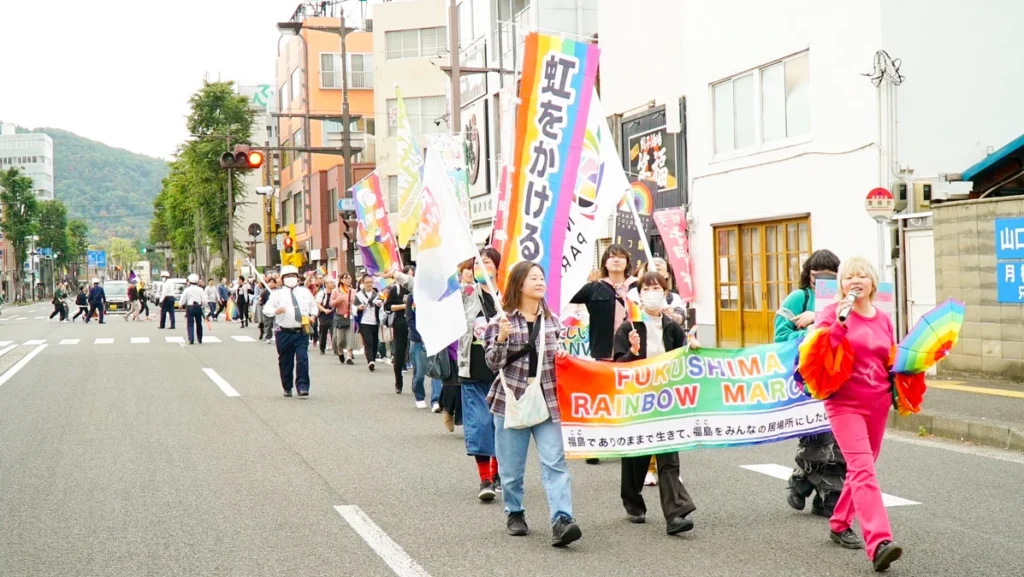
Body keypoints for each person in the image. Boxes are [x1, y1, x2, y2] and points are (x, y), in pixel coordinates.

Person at [813, 256, 902, 572]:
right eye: (849, 277)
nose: (855, 281)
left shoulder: (883, 318)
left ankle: (839, 522)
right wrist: (838, 323)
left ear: (873, 283)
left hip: (878, 403)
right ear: (840, 285)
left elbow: (890, 357)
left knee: (863, 466)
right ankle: (879, 541)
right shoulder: (831, 314)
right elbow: (818, 351)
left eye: (862, 275)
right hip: (843, 403)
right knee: (863, 468)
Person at [484, 261, 581, 547]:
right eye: (533, 278)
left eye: (542, 277)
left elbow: (565, 358)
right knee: (511, 470)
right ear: (519, 284)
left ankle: (562, 520)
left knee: (555, 462)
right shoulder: (501, 321)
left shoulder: (552, 321)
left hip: (548, 400)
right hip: (511, 400)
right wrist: (501, 337)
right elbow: (492, 363)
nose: (540, 282)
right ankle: (514, 511)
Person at [612, 272, 699, 535]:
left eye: (657, 287)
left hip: (667, 400)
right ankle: (632, 499)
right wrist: (633, 353)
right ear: (639, 294)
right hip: (638, 401)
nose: (652, 292)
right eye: (647, 288)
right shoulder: (628, 328)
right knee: (636, 457)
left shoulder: (672, 328)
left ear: (665, 292)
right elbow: (617, 368)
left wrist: (693, 345)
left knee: (668, 456)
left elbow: (684, 356)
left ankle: (676, 514)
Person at [775, 249, 846, 518]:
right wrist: (809, 330)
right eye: (818, 276)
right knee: (815, 435)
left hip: (840, 376)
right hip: (807, 377)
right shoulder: (799, 298)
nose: (823, 281)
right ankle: (802, 479)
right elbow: (781, 334)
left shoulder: (845, 301)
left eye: (830, 275)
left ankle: (827, 496)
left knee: (839, 442)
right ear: (809, 275)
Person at [570, 244, 636, 465]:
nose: (616, 260)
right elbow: (566, 298)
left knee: (630, 398)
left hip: (634, 352)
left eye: (621, 256)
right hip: (605, 351)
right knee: (602, 398)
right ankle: (595, 444)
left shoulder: (637, 287)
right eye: (611, 256)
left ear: (628, 261)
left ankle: (630, 442)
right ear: (604, 262)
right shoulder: (595, 288)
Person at [458, 249, 502, 500]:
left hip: (504, 368)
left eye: (485, 262)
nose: (480, 267)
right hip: (472, 366)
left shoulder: (507, 296)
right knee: (481, 423)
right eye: (476, 263)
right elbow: (434, 295)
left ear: (496, 267)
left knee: (500, 424)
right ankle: (485, 478)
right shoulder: (465, 293)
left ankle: (497, 474)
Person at [263, 265, 319, 397]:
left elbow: (314, 306)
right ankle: (287, 386)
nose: (291, 279)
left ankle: (303, 386)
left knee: (302, 358)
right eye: (288, 277)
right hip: (284, 332)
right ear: (282, 279)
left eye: (293, 276)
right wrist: (276, 311)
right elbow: (267, 309)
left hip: (301, 332)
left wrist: (313, 316)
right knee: (285, 362)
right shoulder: (277, 294)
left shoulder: (305, 292)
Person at [384, 268, 413, 395]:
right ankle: (398, 382)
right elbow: (387, 307)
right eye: (408, 275)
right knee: (399, 354)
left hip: (415, 325)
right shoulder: (395, 289)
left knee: (416, 355)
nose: (410, 278)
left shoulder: (418, 288)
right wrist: (404, 306)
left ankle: (416, 383)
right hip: (400, 324)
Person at [354, 274, 382, 371]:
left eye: (370, 282)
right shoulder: (359, 295)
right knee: (368, 342)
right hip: (364, 321)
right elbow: (353, 307)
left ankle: (373, 360)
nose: (369, 284)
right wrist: (358, 308)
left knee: (375, 342)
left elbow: (383, 306)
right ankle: (370, 361)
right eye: (367, 282)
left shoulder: (378, 294)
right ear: (362, 283)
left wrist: (380, 304)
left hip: (375, 321)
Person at [330, 273, 356, 364]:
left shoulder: (354, 291)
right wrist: (338, 300)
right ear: (341, 280)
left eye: (349, 278)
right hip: (340, 316)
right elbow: (331, 304)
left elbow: (357, 302)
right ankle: (340, 351)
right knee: (340, 340)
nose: (348, 280)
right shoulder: (336, 291)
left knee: (351, 337)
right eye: (346, 278)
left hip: (351, 316)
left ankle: (349, 357)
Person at [181, 274, 208, 345]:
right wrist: (203, 306)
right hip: (198, 307)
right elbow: (204, 300)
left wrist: (181, 305)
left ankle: (191, 338)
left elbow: (183, 298)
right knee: (199, 323)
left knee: (190, 323)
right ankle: (200, 338)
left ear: (189, 281)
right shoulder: (200, 289)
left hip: (190, 307)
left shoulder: (187, 289)